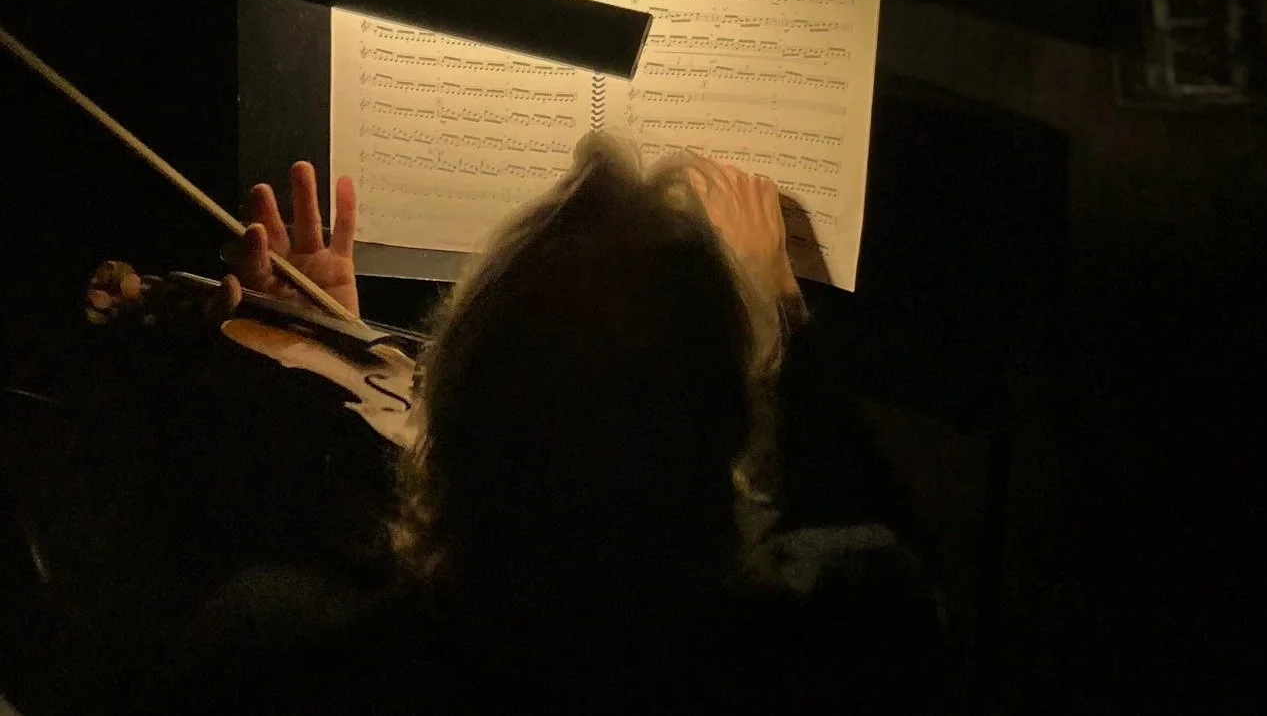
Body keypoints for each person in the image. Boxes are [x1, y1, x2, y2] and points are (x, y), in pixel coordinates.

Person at [153, 142, 949, 714]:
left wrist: (315, 375)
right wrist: (778, 307)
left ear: (447, 424)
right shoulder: (848, 630)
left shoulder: (274, 654)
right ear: (726, 434)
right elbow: (887, 544)